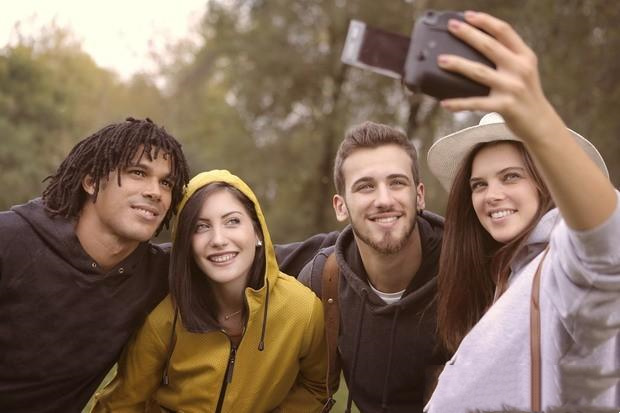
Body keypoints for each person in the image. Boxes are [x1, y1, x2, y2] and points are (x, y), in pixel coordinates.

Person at [424, 11, 619, 412]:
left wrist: (537, 119)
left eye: (510, 177)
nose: (491, 194)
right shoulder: (507, 277)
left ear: (543, 183)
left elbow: (607, 242)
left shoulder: (567, 265)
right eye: (479, 184)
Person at [92, 169, 328, 412]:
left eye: (232, 221)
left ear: (258, 231)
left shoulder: (304, 310)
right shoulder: (165, 317)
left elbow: (318, 386)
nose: (218, 239)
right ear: (186, 243)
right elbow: (122, 403)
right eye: (201, 227)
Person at [0, 117, 190, 412]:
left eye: (166, 182)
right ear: (91, 181)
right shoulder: (10, 241)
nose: (156, 191)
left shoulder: (157, 274)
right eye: (138, 172)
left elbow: (257, 260)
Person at [294, 121, 447, 413]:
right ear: (341, 206)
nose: (384, 200)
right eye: (366, 187)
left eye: (397, 182)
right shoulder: (324, 280)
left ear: (419, 195)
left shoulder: (471, 271)